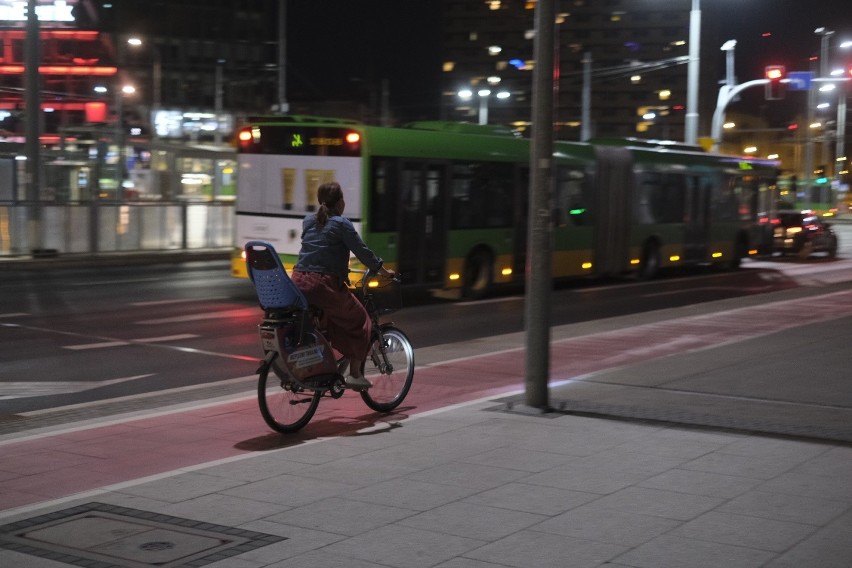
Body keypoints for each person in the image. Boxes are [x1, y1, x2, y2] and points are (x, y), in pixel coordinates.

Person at [291, 181, 394, 391]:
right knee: (360, 320)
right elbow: (362, 252)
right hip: (324, 285)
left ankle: (323, 366)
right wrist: (383, 271)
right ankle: (355, 375)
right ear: (340, 202)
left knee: (330, 319)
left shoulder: (308, 221)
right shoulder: (342, 224)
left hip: (299, 282)